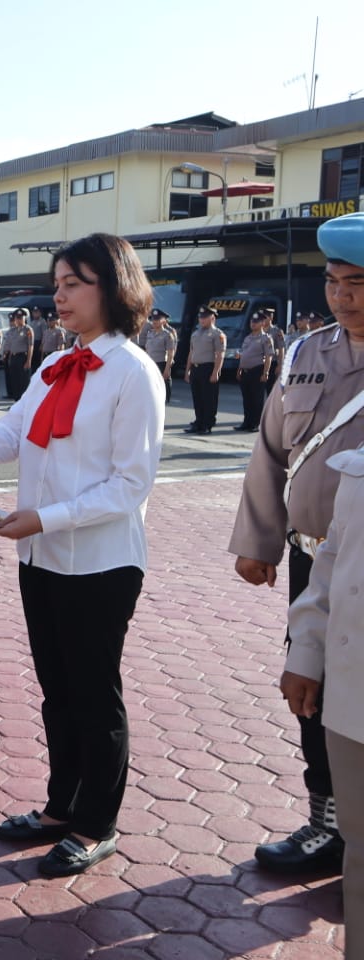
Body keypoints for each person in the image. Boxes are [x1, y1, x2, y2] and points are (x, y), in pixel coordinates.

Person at [0, 233, 165, 877]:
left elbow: (130, 485)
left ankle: (96, 823)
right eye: (56, 284)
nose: (58, 296)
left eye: (73, 284)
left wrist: (45, 517)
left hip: (100, 562)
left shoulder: (133, 372)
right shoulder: (55, 364)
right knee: (57, 691)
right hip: (40, 557)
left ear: (112, 287)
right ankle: (61, 808)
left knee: (94, 693)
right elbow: (11, 436)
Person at [229, 211, 364, 875]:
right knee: (310, 688)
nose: (342, 297)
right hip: (313, 558)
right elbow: (271, 451)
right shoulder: (306, 353)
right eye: (334, 282)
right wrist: (259, 541)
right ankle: (327, 824)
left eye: (357, 284)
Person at [281, 443, 364, 960]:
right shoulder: (359, 464)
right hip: (353, 696)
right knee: (359, 856)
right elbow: (331, 563)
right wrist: (306, 654)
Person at [185, 305, 224, 433]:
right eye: (200, 317)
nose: (201, 320)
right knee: (197, 397)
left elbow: (220, 354)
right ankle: (199, 421)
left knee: (209, 398)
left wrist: (216, 372)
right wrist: (188, 370)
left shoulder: (217, 334)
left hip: (208, 368)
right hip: (196, 368)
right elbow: (191, 352)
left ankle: (207, 424)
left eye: (205, 317)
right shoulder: (195, 333)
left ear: (212, 318)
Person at [234, 315, 273, 432]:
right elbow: (243, 355)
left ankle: (255, 423)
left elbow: (269, 356)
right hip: (245, 371)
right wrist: (239, 369)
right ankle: (247, 422)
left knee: (257, 399)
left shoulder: (266, 338)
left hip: (257, 370)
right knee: (247, 398)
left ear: (262, 323)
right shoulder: (248, 338)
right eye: (252, 321)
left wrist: (265, 373)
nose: (253, 324)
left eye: (256, 322)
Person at [141, 309, 177, 403]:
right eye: (153, 319)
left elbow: (170, 353)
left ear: (163, 321)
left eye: (157, 319)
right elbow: (147, 350)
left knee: (161, 394)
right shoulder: (150, 333)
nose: (154, 321)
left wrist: (167, 369)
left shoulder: (168, 335)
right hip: (150, 365)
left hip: (161, 365)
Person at [3, 307, 34, 401]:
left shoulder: (28, 330)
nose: (18, 320)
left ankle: (24, 402)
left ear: (24, 318)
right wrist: (9, 358)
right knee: (15, 381)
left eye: (21, 318)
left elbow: (30, 346)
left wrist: (28, 361)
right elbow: (10, 346)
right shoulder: (13, 330)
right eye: (17, 318)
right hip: (14, 357)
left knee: (23, 381)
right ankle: (16, 401)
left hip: (22, 357)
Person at [263, 307, 286, 397]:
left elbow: (281, 348)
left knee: (270, 389)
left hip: (272, 363)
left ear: (271, 318)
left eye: (265, 317)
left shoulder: (276, 331)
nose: (263, 319)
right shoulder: (259, 331)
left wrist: (280, 365)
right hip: (260, 363)